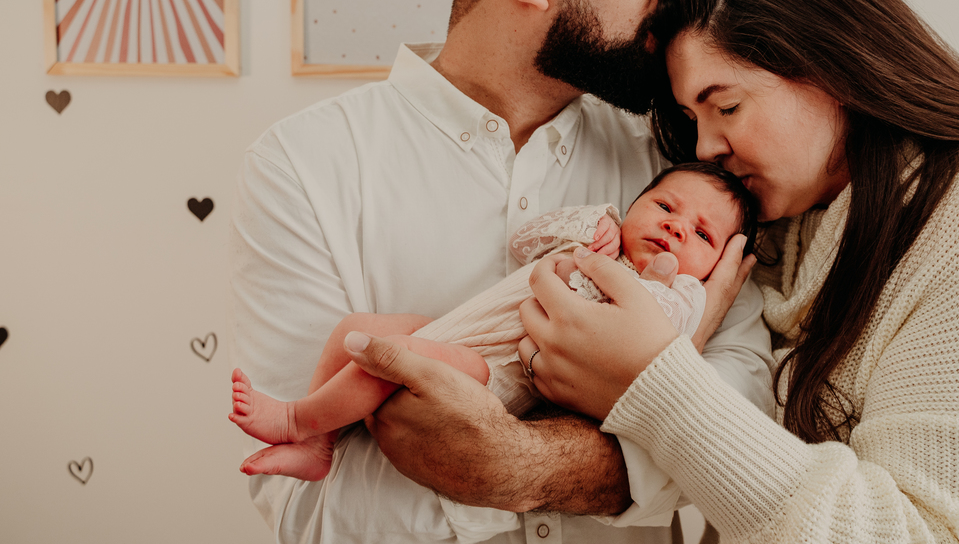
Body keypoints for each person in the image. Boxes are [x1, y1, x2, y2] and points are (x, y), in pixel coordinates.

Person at [341, 0, 959, 544]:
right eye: (693, 119)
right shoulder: (789, 240)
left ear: (833, 68)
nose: (707, 149)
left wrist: (657, 385)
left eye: (726, 105)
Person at [229, 0, 774, 544]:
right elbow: (315, 515)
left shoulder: (681, 164)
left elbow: (750, 441)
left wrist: (516, 463)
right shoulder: (301, 166)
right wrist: (631, 451)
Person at [230, 163, 758, 483]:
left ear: (718, 266)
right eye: (665, 205)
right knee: (358, 324)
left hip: (494, 371)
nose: (675, 227)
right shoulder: (601, 237)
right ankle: (319, 446)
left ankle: (297, 420)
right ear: (635, 203)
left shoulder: (679, 296)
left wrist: (668, 286)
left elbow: (665, 345)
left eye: (702, 235)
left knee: (390, 357)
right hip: (468, 325)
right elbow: (523, 242)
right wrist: (589, 223)